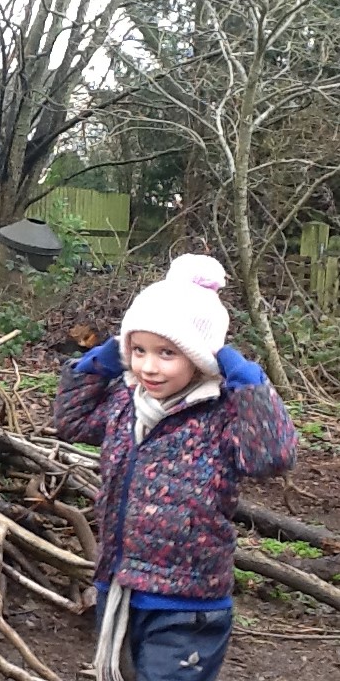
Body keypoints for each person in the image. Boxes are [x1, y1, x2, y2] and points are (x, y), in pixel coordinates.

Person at [53, 254, 297, 681]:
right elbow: (70, 421)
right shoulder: (126, 402)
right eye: (139, 350)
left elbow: (271, 456)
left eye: (167, 353)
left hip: (188, 604)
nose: (149, 366)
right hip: (120, 589)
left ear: (200, 356)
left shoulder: (222, 413)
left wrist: (250, 384)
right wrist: (102, 360)